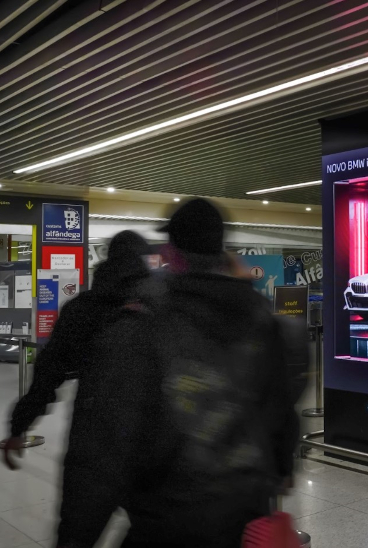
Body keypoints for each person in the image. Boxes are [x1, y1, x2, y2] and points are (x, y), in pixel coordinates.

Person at [58, 198, 301, 547]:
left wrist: (75, 538)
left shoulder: (141, 327)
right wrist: (281, 468)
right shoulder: (261, 319)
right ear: (221, 250)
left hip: (167, 522)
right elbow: (280, 410)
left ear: (173, 254)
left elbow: (102, 451)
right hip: (243, 519)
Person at [3, 231, 153, 545]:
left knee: (76, 538)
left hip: (93, 445)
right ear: (143, 261)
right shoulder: (161, 307)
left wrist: (19, 428)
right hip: (150, 447)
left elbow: (47, 376)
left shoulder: (82, 309)